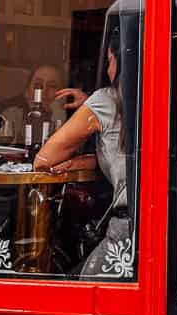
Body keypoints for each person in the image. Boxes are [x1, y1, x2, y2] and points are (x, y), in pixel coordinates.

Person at [35, 31, 129, 277]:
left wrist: (90, 109)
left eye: (109, 61)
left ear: (121, 63)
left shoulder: (106, 101)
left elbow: (44, 158)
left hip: (127, 230)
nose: (108, 70)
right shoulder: (155, 98)